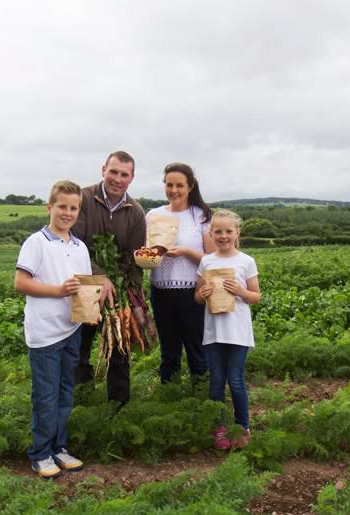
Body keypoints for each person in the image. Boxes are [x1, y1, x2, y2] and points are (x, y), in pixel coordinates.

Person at [14, 180, 91, 479]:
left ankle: (59, 448)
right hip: (45, 333)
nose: (67, 213)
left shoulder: (80, 246)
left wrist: (89, 305)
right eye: (62, 206)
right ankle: (40, 453)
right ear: (50, 207)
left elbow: (82, 285)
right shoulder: (37, 242)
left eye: (73, 208)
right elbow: (21, 283)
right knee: (45, 396)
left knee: (65, 394)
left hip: (71, 330)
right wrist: (59, 291)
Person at [73, 151, 146, 404]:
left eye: (124, 174)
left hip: (119, 289)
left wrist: (135, 300)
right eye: (113, 171)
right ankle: (81, 402)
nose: (117, 178)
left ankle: (119, 406)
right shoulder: (83, 198)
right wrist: (99, 277)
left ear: (132, 178)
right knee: (79, 348)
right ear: (103, 169)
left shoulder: (135, 211)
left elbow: (134, 257)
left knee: (120, 347)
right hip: (84, 285)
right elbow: (74, 246)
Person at [194, 209, 260, 449]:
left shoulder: (246, 261)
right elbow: (198, 297)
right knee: (216, 380)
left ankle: (242, 426)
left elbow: (255, 296)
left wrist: (240, 292)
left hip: (238, 332)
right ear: (211, 233)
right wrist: (202, 294)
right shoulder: (206, 261)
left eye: (228, 231)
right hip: (214, 332)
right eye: (218, 231)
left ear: (237, 232)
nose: (223, 236)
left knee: (236, 379)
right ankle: (220, 429)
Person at [146, 162, 215, 384]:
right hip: (160, 290)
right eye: (169, 185)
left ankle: (203, 398)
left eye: (179, 185)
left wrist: (185, 251)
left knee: (196, 349)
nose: (174, 190)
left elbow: (213, 260)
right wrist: (148, 255)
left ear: (190, 186)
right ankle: (170, 398)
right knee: (169, 352)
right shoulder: (153, 215)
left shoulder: (201, 216)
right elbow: (147, 252)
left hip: (192, 292)